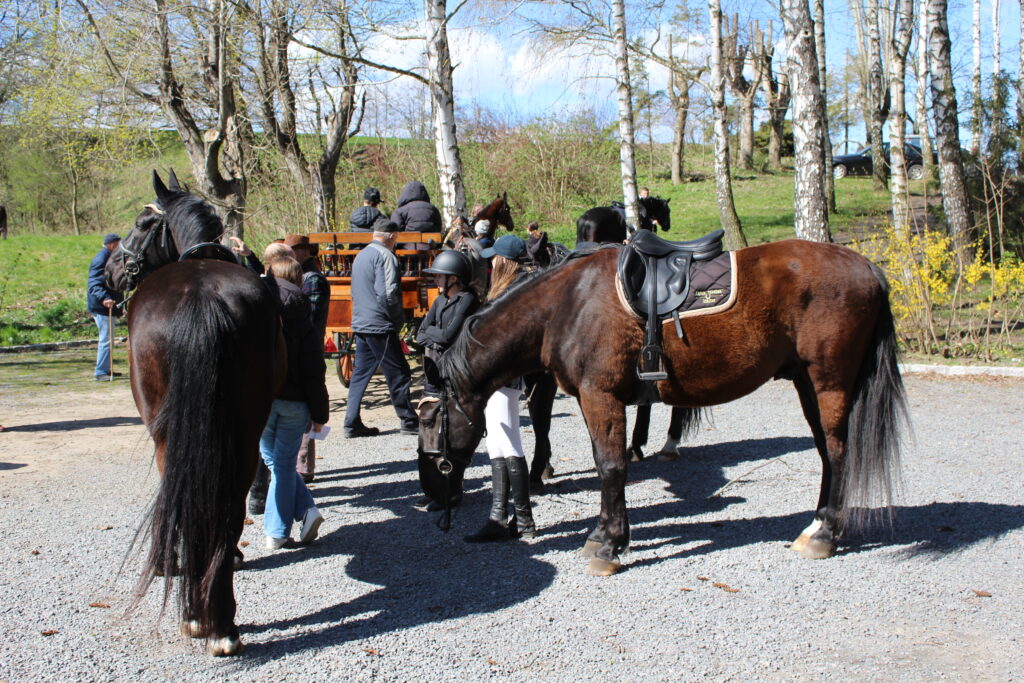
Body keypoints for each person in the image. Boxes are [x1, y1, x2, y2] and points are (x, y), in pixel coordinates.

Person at [464, 234, 535, 542]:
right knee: (498, 441)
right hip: (502, 375)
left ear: (504, 261)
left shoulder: (515, 291)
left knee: (506, 439)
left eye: (495, 258)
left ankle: (520, 520)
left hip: (504, 375)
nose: (491, 262)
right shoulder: (515, 288)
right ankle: (503, 517)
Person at [259, 256, 329, 550]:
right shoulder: (305, 321)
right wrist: (319, 413)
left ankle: (276, 530)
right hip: (295, 402)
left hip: (263, 400)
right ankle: (306, 510)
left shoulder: (258, 317)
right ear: (299, 280)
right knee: (280, 464)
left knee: (278, 464)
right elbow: (315, 370)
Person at [344, 217, 419, 437]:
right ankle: (408, 420)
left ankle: (351, 423)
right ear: (393, 236)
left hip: (362, 322)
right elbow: (387, 294)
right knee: (399, 372)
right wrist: (397, 320)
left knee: (360, 374)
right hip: (380, 324)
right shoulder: (386, 257)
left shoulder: (361, 255)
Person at [283, 234, 331, 484]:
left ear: (303, 252)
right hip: (299, 349)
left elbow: (308, 321)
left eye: (289, 251)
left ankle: (304, 468)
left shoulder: (313, 280)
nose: (286, 255)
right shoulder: (299, 276)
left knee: (306, 409)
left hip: (308, 351)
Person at [416, 250, 479, 396]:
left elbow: (448, 336)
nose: (436, 279)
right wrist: (436, 343)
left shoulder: (467, 299)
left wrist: (431, 331)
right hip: (436, 361)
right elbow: (420, 334)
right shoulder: (440, 300)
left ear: (453, 279)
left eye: (439, 276)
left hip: (457, 366)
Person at [87, 233, 122, 381]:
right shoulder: (102, 258)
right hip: (102, 306)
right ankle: (101, 372)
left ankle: (107, 369)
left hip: (108, 305)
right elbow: (94, 283)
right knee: (106, 339)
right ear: (112, 244)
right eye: (119, 244)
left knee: (108, 338)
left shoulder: (108, 257)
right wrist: (105, 298)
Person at [392, 181, 441, 247]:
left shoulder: (400, 211)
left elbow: (395, 231)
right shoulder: (433, 209)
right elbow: (439, 228)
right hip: (431, 250)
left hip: (406, 251)